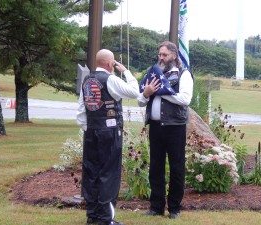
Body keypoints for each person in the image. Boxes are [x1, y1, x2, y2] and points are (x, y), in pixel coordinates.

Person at [76, 49, 139, 225]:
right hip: (109, 133)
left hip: (91, 132)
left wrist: (88, 129)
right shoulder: (111, 79)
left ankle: (92, 216)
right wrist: (125, 71)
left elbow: (81, 110)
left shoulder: (87, 80)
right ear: (110, 63)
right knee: (109, 174)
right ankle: (105, 218)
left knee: (92, 173)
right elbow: (134, 91)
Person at [138, 41, 194, 219]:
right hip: (155, 127)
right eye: (159, 54)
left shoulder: (183, 74)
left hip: (174, 127)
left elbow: (185, 99)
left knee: (176, 168)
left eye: (165, 55)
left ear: (174, 56)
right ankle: (156, 207)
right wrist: (147, 93)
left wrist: (163, 91)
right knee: (155, 167)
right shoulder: (154, 73)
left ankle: (175, 209)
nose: (161, 58)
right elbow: (141, 100)